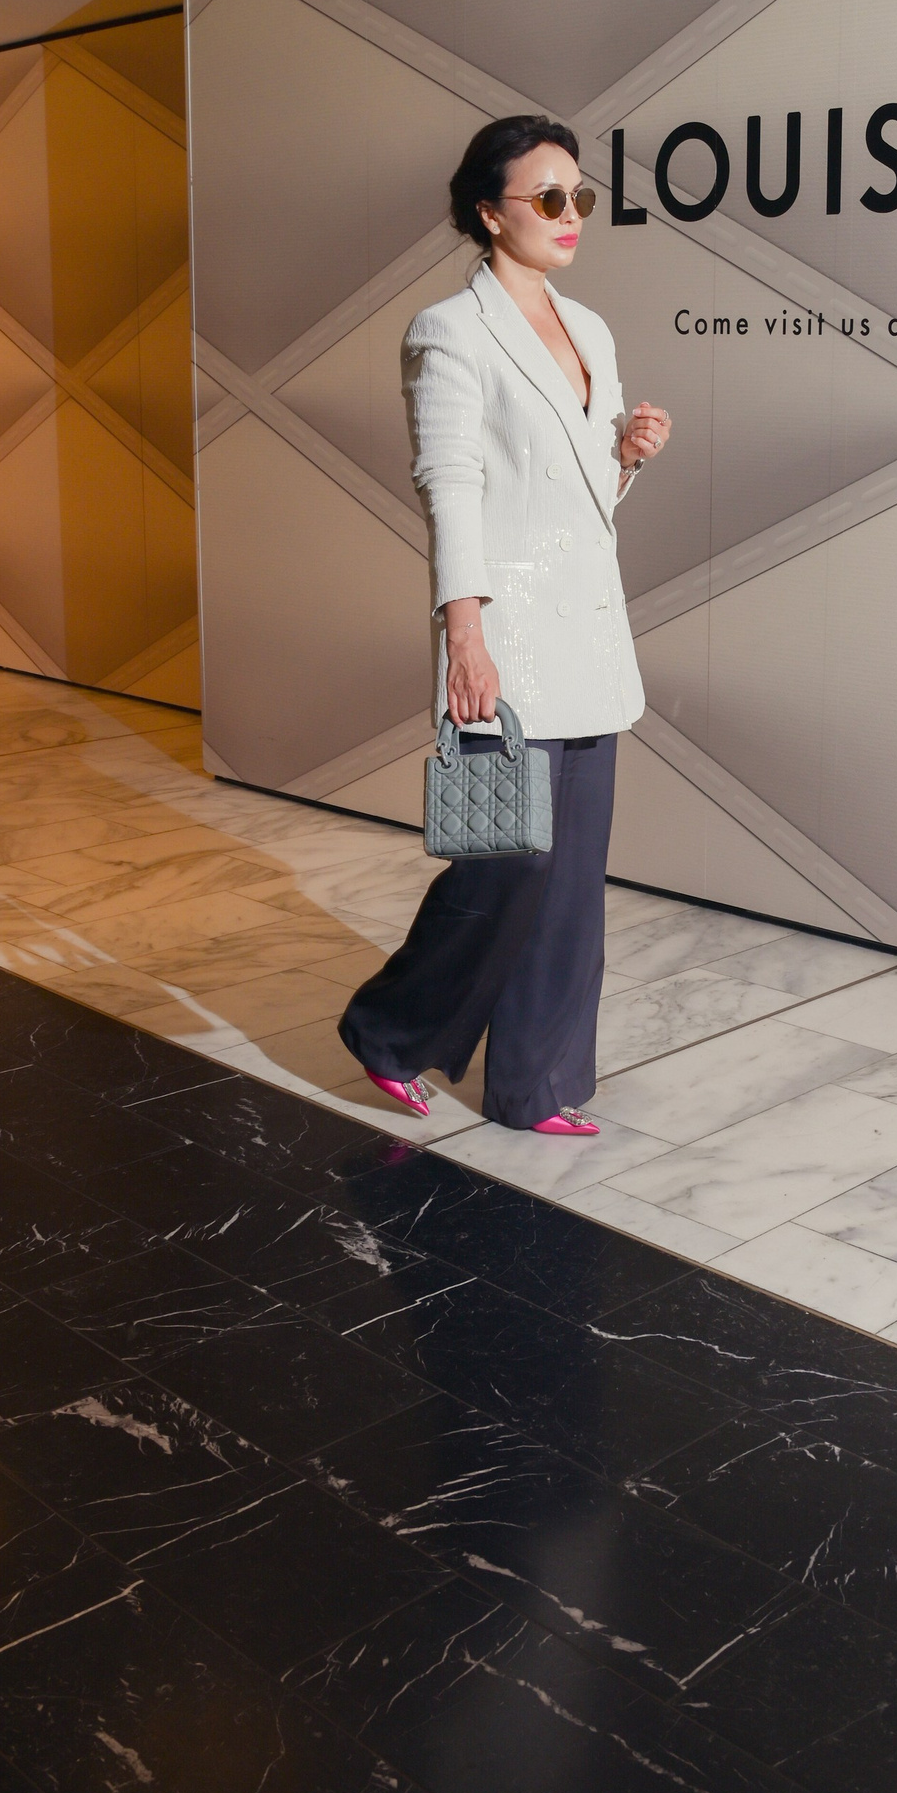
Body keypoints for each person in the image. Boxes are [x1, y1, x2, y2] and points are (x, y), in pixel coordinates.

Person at [339, 116, 670, 1134]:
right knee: (511, 860)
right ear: (491, 213)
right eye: (549, 198)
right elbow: (451, 485)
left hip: (590, 631)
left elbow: (584, 500)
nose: (573, 216)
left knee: (570, 882)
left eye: (581, 197)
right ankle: (390, 1030)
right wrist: (465, 634)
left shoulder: (592, 330)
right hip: (505, 626)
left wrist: (626, 456)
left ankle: (537, 1085)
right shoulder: (448, 330)